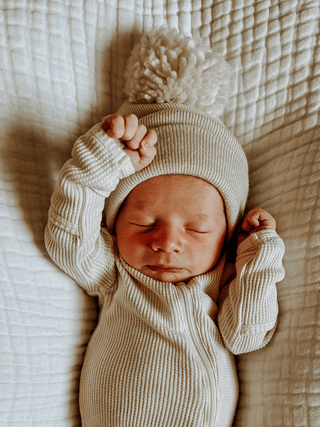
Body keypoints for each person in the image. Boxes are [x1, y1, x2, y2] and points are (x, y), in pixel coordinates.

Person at [45, 29, 285, 427]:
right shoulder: (116, 274)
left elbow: (247, 336)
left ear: (227, 235)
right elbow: (67, 237)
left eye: (197, 229)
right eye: (144, 223)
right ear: (115, 221)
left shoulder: (222, 284)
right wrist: (98, 167)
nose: (168, 243)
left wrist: (256, 261)